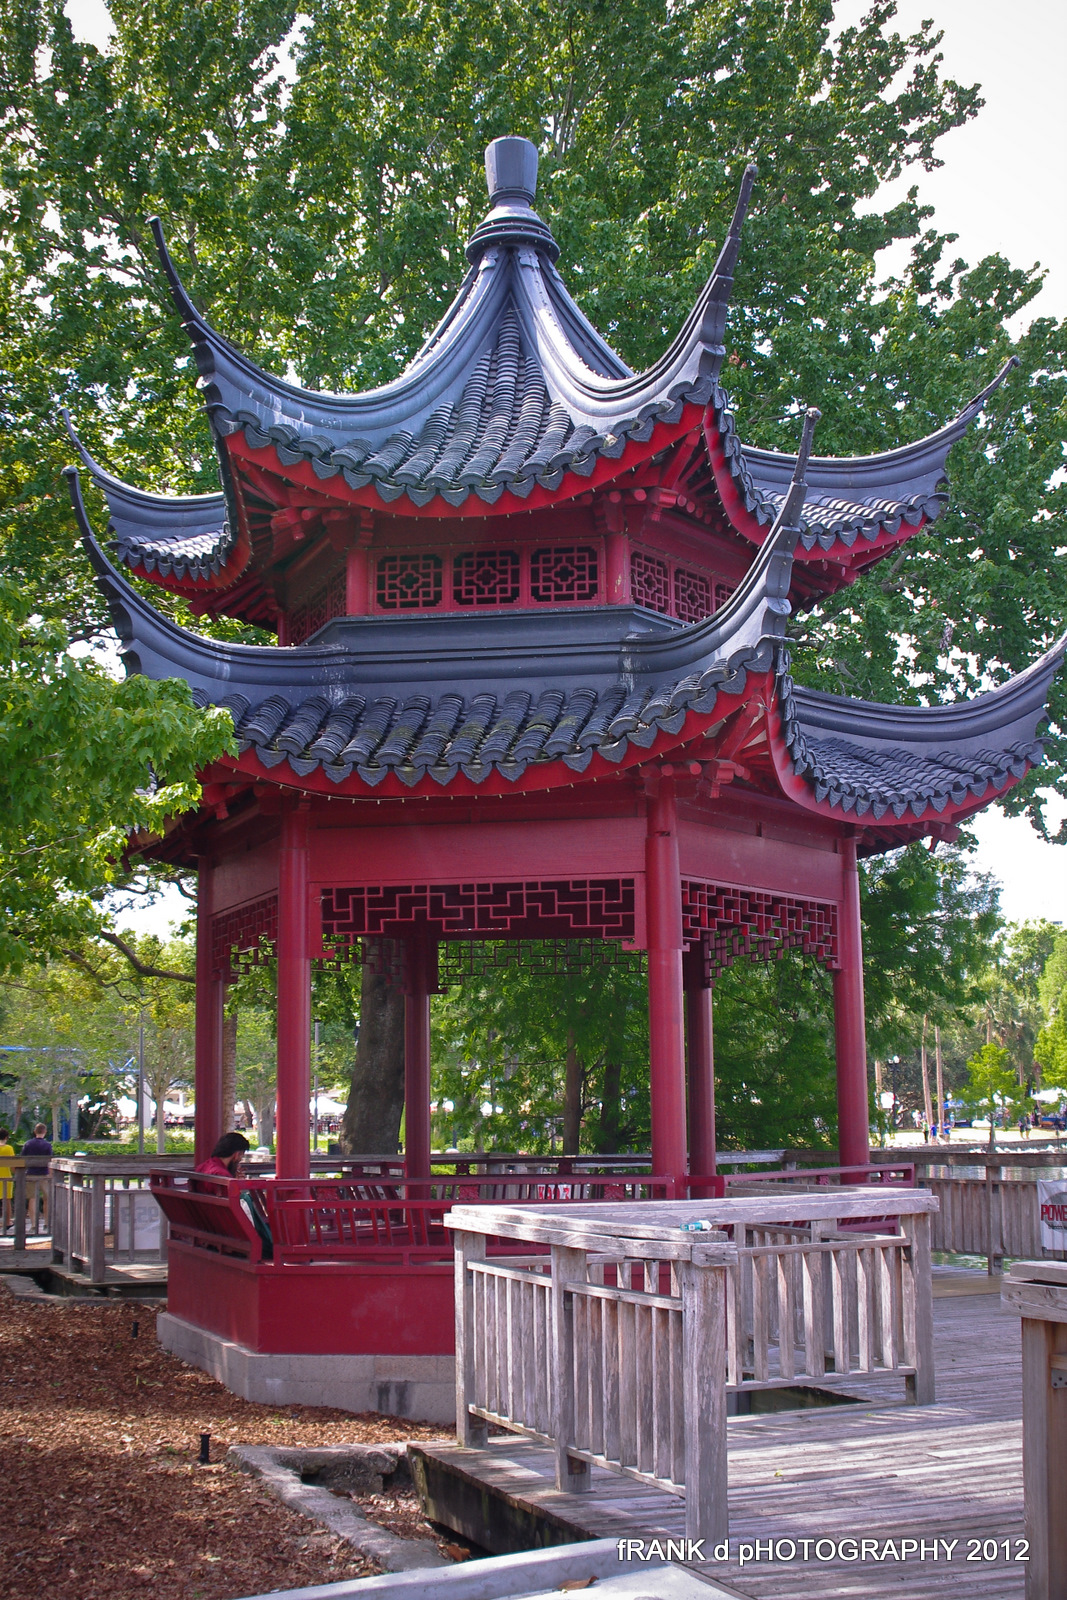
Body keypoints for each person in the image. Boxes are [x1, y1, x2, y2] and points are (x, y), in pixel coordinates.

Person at [21, 1123, 52, 1226]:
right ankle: (47, 1222)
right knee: (46, 1199)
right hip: (44, 1174)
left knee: (32, 1199)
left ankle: (34, 1224)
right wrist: (50, 1174)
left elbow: (22, 1160)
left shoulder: (28, 1144)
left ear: (35, 1131)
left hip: (31, 1173)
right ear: (45, 1132)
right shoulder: (47, 1145)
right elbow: (49, 1161)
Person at [0, 1128, 13, 1232]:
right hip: (6, 1176)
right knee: (7, 1200)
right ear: (6, 1137)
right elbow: (12, 1164)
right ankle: (7, 1221)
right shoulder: (8, 1148)